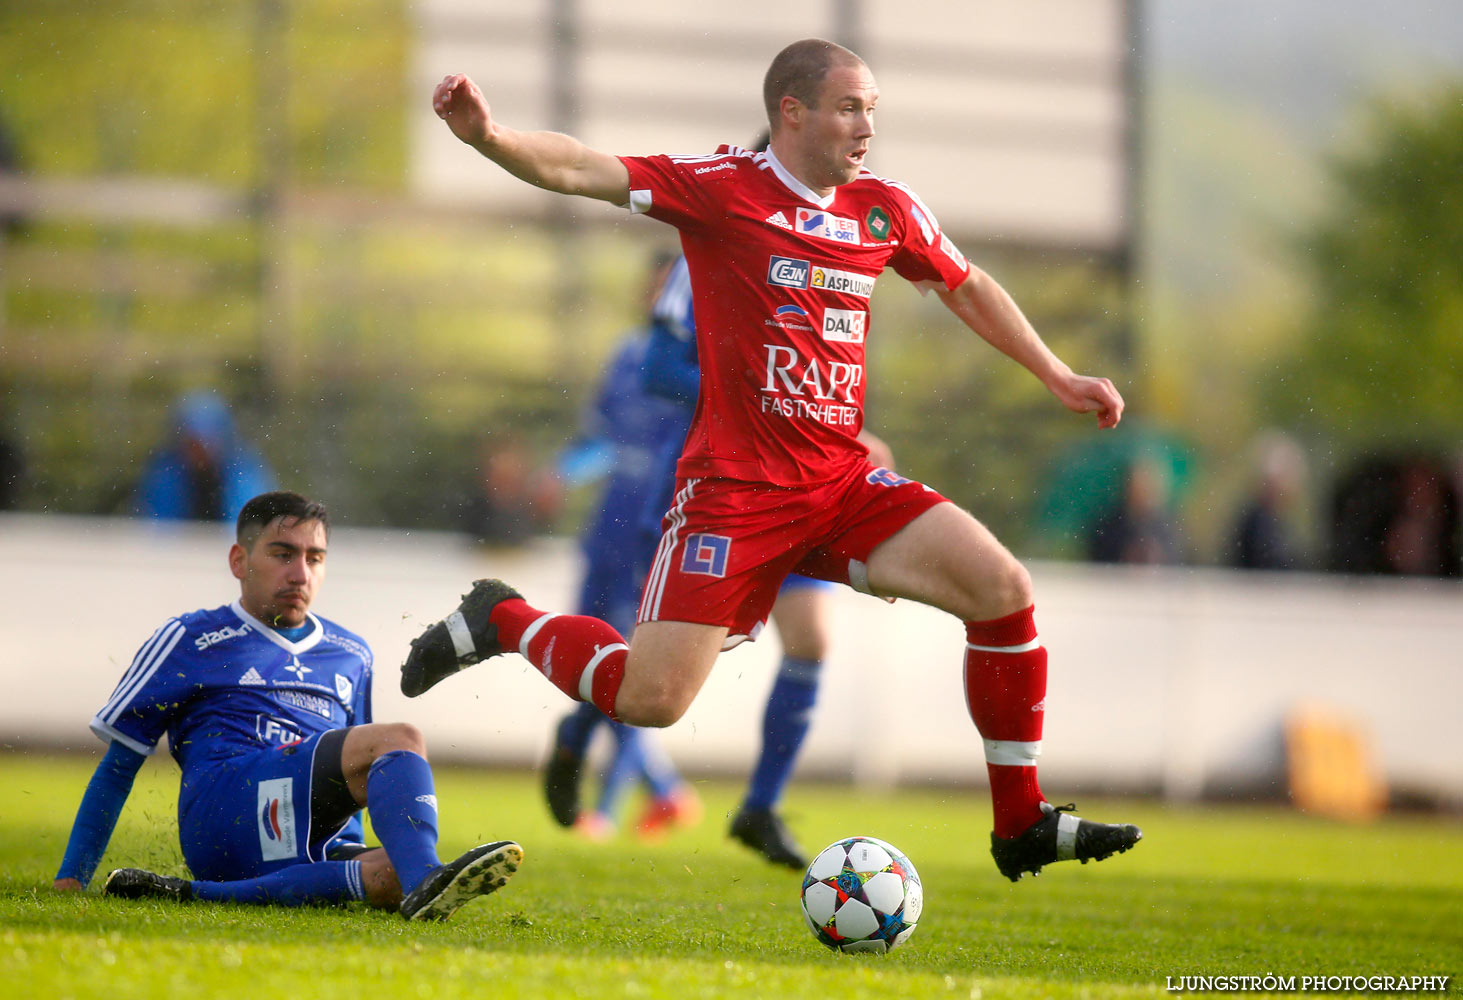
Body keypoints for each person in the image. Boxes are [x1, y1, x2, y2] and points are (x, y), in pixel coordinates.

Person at [409, 38, 1142, 881]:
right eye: (848, 107)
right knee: (649, 701)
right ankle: (503, 619)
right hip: (735, 498)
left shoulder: (884, 210)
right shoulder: (722, 190)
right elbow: (584, 168)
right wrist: (489, 138)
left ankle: (1019, 821)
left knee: (1003, 590)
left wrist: (1055, 373)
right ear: (789, 112)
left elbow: (964, 285)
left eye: (872, 107)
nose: (866, 125)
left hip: (841, 482)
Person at [52, 491, 521, 920]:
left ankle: (189, 893)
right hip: (224, 815)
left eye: (314, 558)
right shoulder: (192, 637)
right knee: (403, 740)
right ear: (239, 561)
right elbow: (118, 767)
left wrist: (351, 847)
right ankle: (426, 882)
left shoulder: (351, 653)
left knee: (391, 868)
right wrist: (72, 876)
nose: (300, 573)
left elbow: (364, 781)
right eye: (283, 554)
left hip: (302, 834)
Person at [135, 391, 275, 524]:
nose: (200, 448)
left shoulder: (242, 472)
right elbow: (159, 528)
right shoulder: (167, 473)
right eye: (192, 441)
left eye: (207, 440)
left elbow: (250, 528)